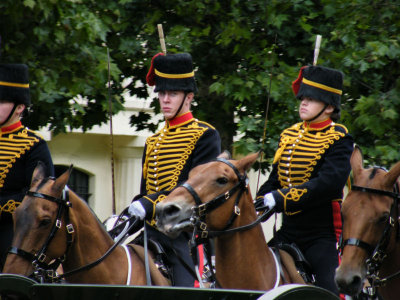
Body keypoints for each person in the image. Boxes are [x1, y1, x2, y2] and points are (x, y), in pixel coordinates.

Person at [255, 65, 353, 295]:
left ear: (329, 107)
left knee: (330, 291)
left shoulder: (339, 138)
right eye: (303, 98)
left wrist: (279, 199)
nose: (303, 103)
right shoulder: (289, 135)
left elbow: (327, 184)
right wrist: (260, 200)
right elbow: (275, 180)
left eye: (311, 99)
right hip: (288, 232)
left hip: (320, 236)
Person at [128, 52, 221, 286]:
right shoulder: (153, 141)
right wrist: (126, 216)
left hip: (183, 233)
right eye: (161, 93)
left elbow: (194, 188)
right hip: (149, 233)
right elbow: (144, 191)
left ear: (188, 97)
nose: (165, 100)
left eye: (173, 93)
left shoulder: (205, 135)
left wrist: (149, 204)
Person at [0, 63, 54, 269]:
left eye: (2, 101)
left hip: (13, 230)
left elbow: (41, 195)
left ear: (19, 107)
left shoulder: (33, 146)